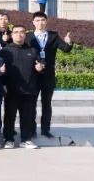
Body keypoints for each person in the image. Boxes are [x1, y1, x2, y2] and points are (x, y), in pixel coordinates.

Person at [27, 11, 73, 139]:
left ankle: (45, 129)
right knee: (31, 104)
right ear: (33, 22)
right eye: (37, 20)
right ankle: (31, 129)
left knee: (46, 104)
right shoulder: (28, 37)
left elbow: (65, 49)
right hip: (33, 75)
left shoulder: (53, 36)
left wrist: (69, 43)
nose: (40, 23)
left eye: (42, 20)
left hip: (48, 76)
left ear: (46, 21)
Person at [0, 25, 42, 149]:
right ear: (12, 35)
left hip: (29, 90)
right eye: (16, 32)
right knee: (9, 116)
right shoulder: (5, 51)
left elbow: (41, 63)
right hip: (11, 89)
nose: (19, 34)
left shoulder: (32, 50)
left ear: (25, 35)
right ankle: (9, 139)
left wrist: (40, 67)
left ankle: (26, 139)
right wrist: (3, 82)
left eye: (22, 32)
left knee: (27, 116)